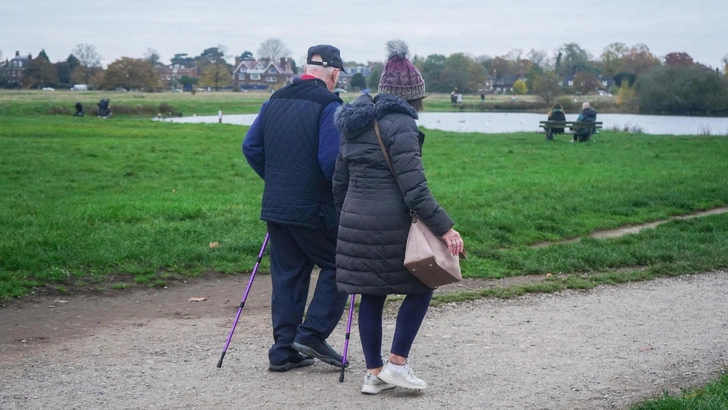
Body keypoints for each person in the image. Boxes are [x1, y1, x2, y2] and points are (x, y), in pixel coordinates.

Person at [332, 40, 464, 394]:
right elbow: (415, 188)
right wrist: (445, 227)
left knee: (371, 294)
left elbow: (339, 181)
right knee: (424, 284)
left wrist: (348, 216)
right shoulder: (400, 123)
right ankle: (397, 365)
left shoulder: (354, 121)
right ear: (413, 95)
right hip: (390, 222)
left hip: (354, 220)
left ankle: (374, 374)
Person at [242, 44, 349, 373]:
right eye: (339, 75)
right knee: (342, 265)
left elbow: (251, 147)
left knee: (288, 276)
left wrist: (275, 180)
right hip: (313, 207)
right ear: (333, 72)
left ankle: (283, 351)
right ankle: (312, 333)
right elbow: (331, 160)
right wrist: (343, 196)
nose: (338, 80)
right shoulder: (329, 103)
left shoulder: (275, 98)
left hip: (276, 205)